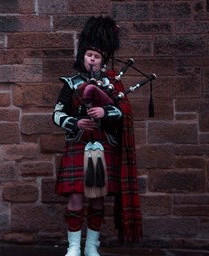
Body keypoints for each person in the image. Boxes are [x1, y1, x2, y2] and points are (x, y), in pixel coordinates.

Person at [52, 16, 142, 256]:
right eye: (89, 54)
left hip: (102, 146)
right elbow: (57, 114)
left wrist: (105, 111)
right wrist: (74, 121)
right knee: (76, 198)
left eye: (97, 56)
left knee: (97, 199)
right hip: (78, 144)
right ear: (83, 55)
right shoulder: (70, 84)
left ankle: (92, 246)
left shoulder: (112, 85)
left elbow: (122, 112)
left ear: (103, 59)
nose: (92, 58)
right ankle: (73, 247)